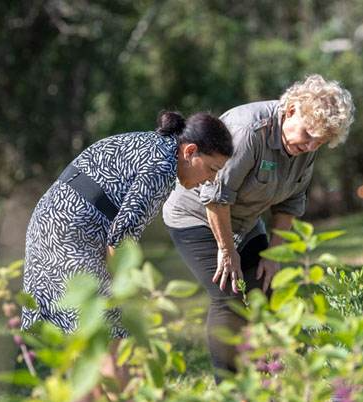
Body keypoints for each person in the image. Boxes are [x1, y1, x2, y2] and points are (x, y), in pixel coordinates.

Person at [161, 74, 355, 378]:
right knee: (228, 296)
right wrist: (227, 251)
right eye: (309, 134)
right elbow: (216, 196)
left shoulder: (306, 148)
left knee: (266, 288)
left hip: (245, 222)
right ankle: (229, 385)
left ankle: (264, 376)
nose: (312, 144)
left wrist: (273, 255)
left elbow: (289, 204)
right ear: (291, 110)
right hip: (197, 215)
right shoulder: (248, 130)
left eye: (321, 141)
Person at [21, 111, 233, 339]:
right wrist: (127, 295)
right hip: (72, 231)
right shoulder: (163, 166)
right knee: (107, 333)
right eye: (212, 169)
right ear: (190, 151)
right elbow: (120, 239)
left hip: (49, 220)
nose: (212, 180)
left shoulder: (156, 145)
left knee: (81, 334)